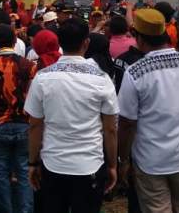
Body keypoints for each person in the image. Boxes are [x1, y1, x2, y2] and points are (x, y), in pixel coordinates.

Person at [24, 18, 118, 213]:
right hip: (90, 164)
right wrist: (112, 164)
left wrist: (33, 162)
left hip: (53, 164)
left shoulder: (42, 77)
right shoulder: (101, 79)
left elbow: (35, 125)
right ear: (86, 43)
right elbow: (110, 128)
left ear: (60, 43)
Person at [118, 9, 179, 212]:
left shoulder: (135, 72)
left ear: (139, 38)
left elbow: (127, 122)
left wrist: (123, 159)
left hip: (150, 160)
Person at [0, 24, 37, 213]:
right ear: (14, 42)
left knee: (0, 174)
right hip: (23, 124)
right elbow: (33, 95)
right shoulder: (28, 65)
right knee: (23, 173)